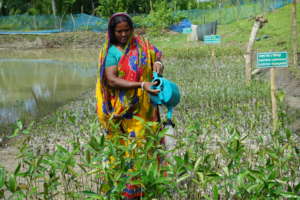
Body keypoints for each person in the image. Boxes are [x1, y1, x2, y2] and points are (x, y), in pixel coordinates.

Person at [95, 12, 164, 199]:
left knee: (146, 144)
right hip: (123, 111)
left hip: (145, 107)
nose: (124, 35)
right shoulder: (111, 52)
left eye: (127, 30)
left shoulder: (141, 44)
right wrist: (141, 84)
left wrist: (157, 62)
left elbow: (156, 53)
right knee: (127, 148)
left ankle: (148, 186)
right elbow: (111, 80)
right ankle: (127, 191)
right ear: (112, 32)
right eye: (119, 31)